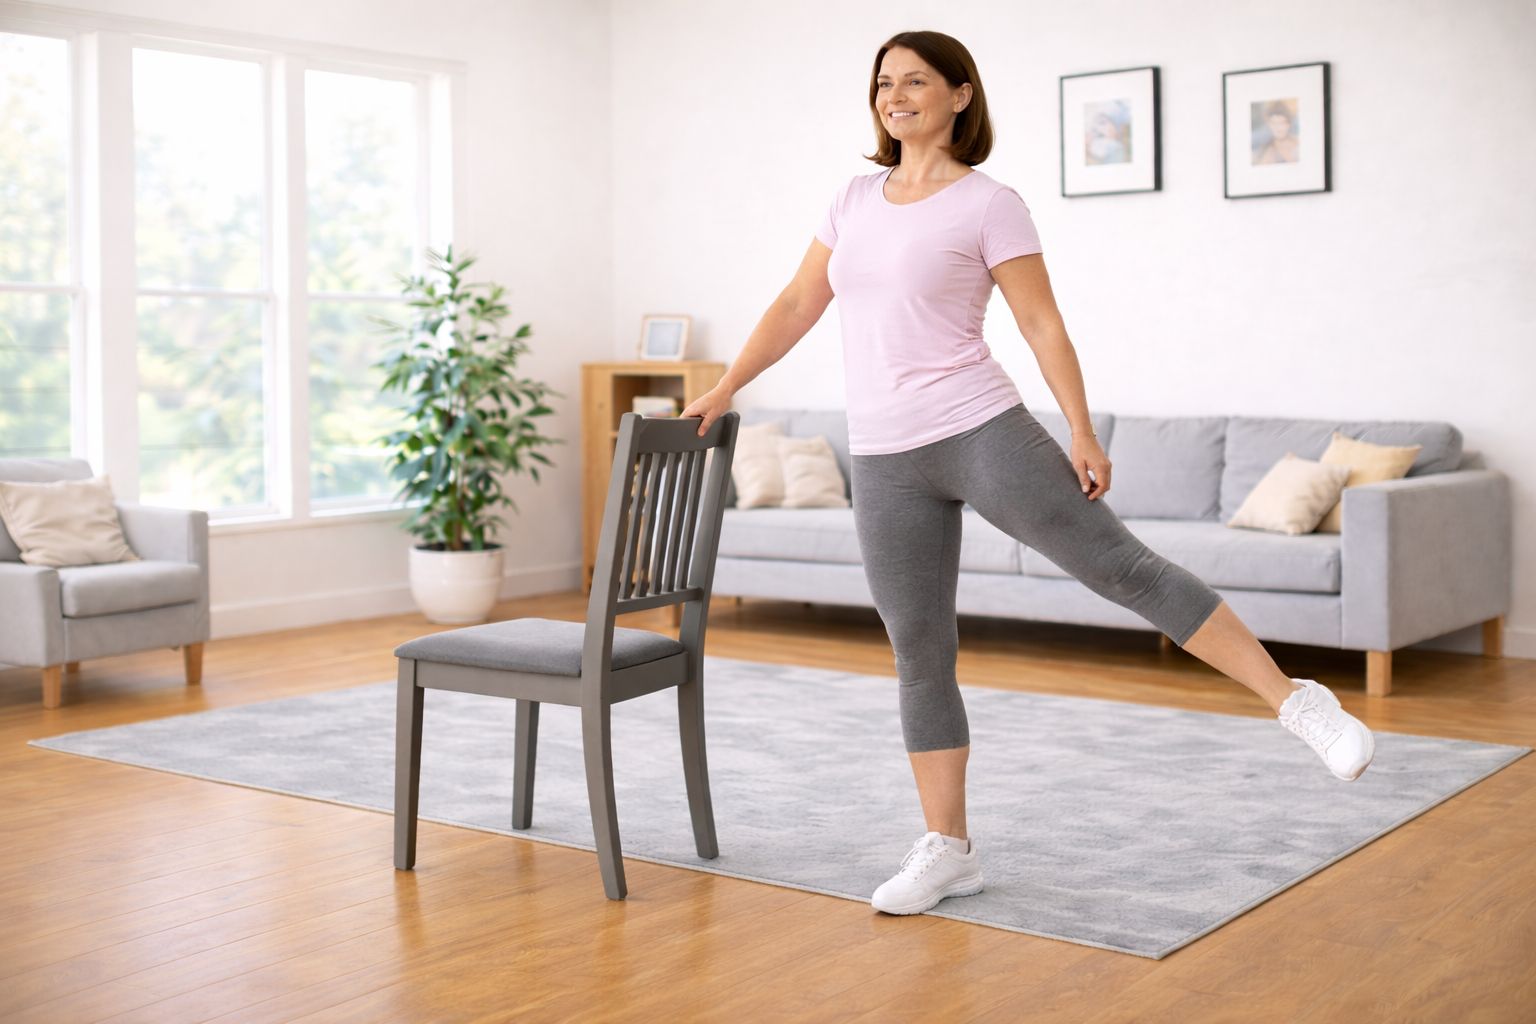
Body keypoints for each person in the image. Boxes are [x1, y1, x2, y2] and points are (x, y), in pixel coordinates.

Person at [680, 30, 1374, 918]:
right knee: (919, 650)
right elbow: (796, 303)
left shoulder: (989, 204)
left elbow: (1042, 324)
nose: (896, 96)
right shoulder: (852, 199)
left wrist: (1080, 428)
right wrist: (729, 382)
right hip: (885, 458)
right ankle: (949, 851)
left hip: (980, 428)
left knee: (1122, 568)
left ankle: (1296, 701)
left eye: (916, 81)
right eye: (884, 83)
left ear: (961, 95)